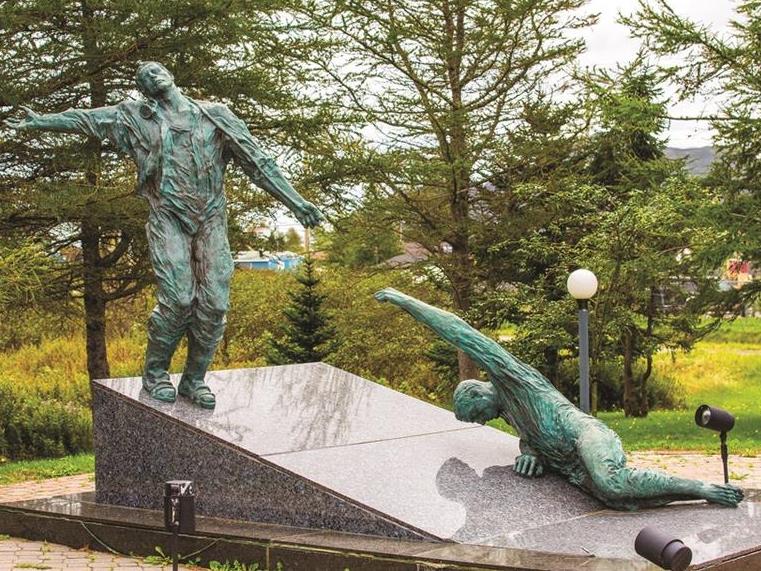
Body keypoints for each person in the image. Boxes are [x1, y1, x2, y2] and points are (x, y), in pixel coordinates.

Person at [5, 61, 323, 409]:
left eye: (155, 70)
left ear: (170, 75)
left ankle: (194, 380)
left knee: (215, 303)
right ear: (144, 91)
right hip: (168, 215)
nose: (151, 76)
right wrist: (41, 121)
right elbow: (87, 119)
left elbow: (258, 163)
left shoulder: (216, 116)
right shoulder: (134, 117)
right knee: (178, 298)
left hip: (210, 218)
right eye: (143, 77)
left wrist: (297, 203)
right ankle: (155, 374)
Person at [374, 287, 744, 510]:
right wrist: (530, 456)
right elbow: (533, 438)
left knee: (613, 483)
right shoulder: (510, 414)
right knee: (616, 498)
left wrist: (404, 301)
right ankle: (693, 495)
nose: (482, 422)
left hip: (584, 434)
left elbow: (461, 332)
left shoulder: (511, 378)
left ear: (477, 393)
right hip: (569, 460)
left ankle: (702, 488)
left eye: (476, 415)